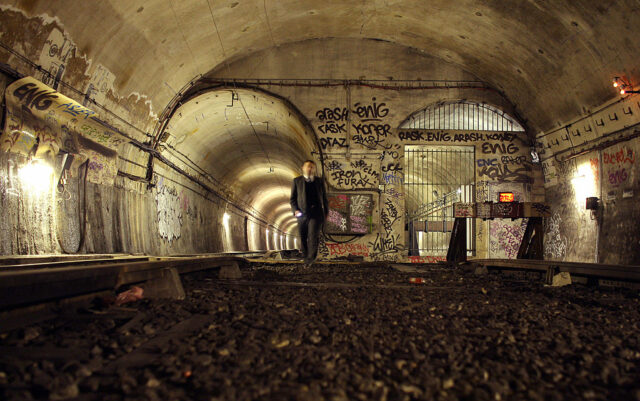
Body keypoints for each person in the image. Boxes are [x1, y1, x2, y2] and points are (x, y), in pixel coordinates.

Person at [290, 160, 329, 265]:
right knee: (303, 236)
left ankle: (310, 259)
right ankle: (305, 256)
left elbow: (324, 198)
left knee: (313, 236)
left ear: (314, 169)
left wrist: (326, 212)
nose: (310, 169)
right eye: (308, 166)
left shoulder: (319, 181)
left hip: (316, 214)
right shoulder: (297, 181)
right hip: (302, 214)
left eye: (312, 167)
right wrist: (295, 210)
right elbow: (292, 199)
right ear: (303, 167)